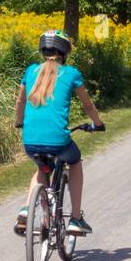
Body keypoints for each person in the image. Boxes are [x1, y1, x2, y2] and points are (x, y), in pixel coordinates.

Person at [13, 30, 103, 236]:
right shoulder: (71, 74)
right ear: (65, 52)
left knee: (43, 168)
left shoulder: (31, 71)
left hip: (30, 140)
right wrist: (97, 123)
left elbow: (20, 101)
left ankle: (27, 209)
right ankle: (76, 218)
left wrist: (19, 122)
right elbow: (88, 105)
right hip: (58, 141)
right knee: (75, 161)